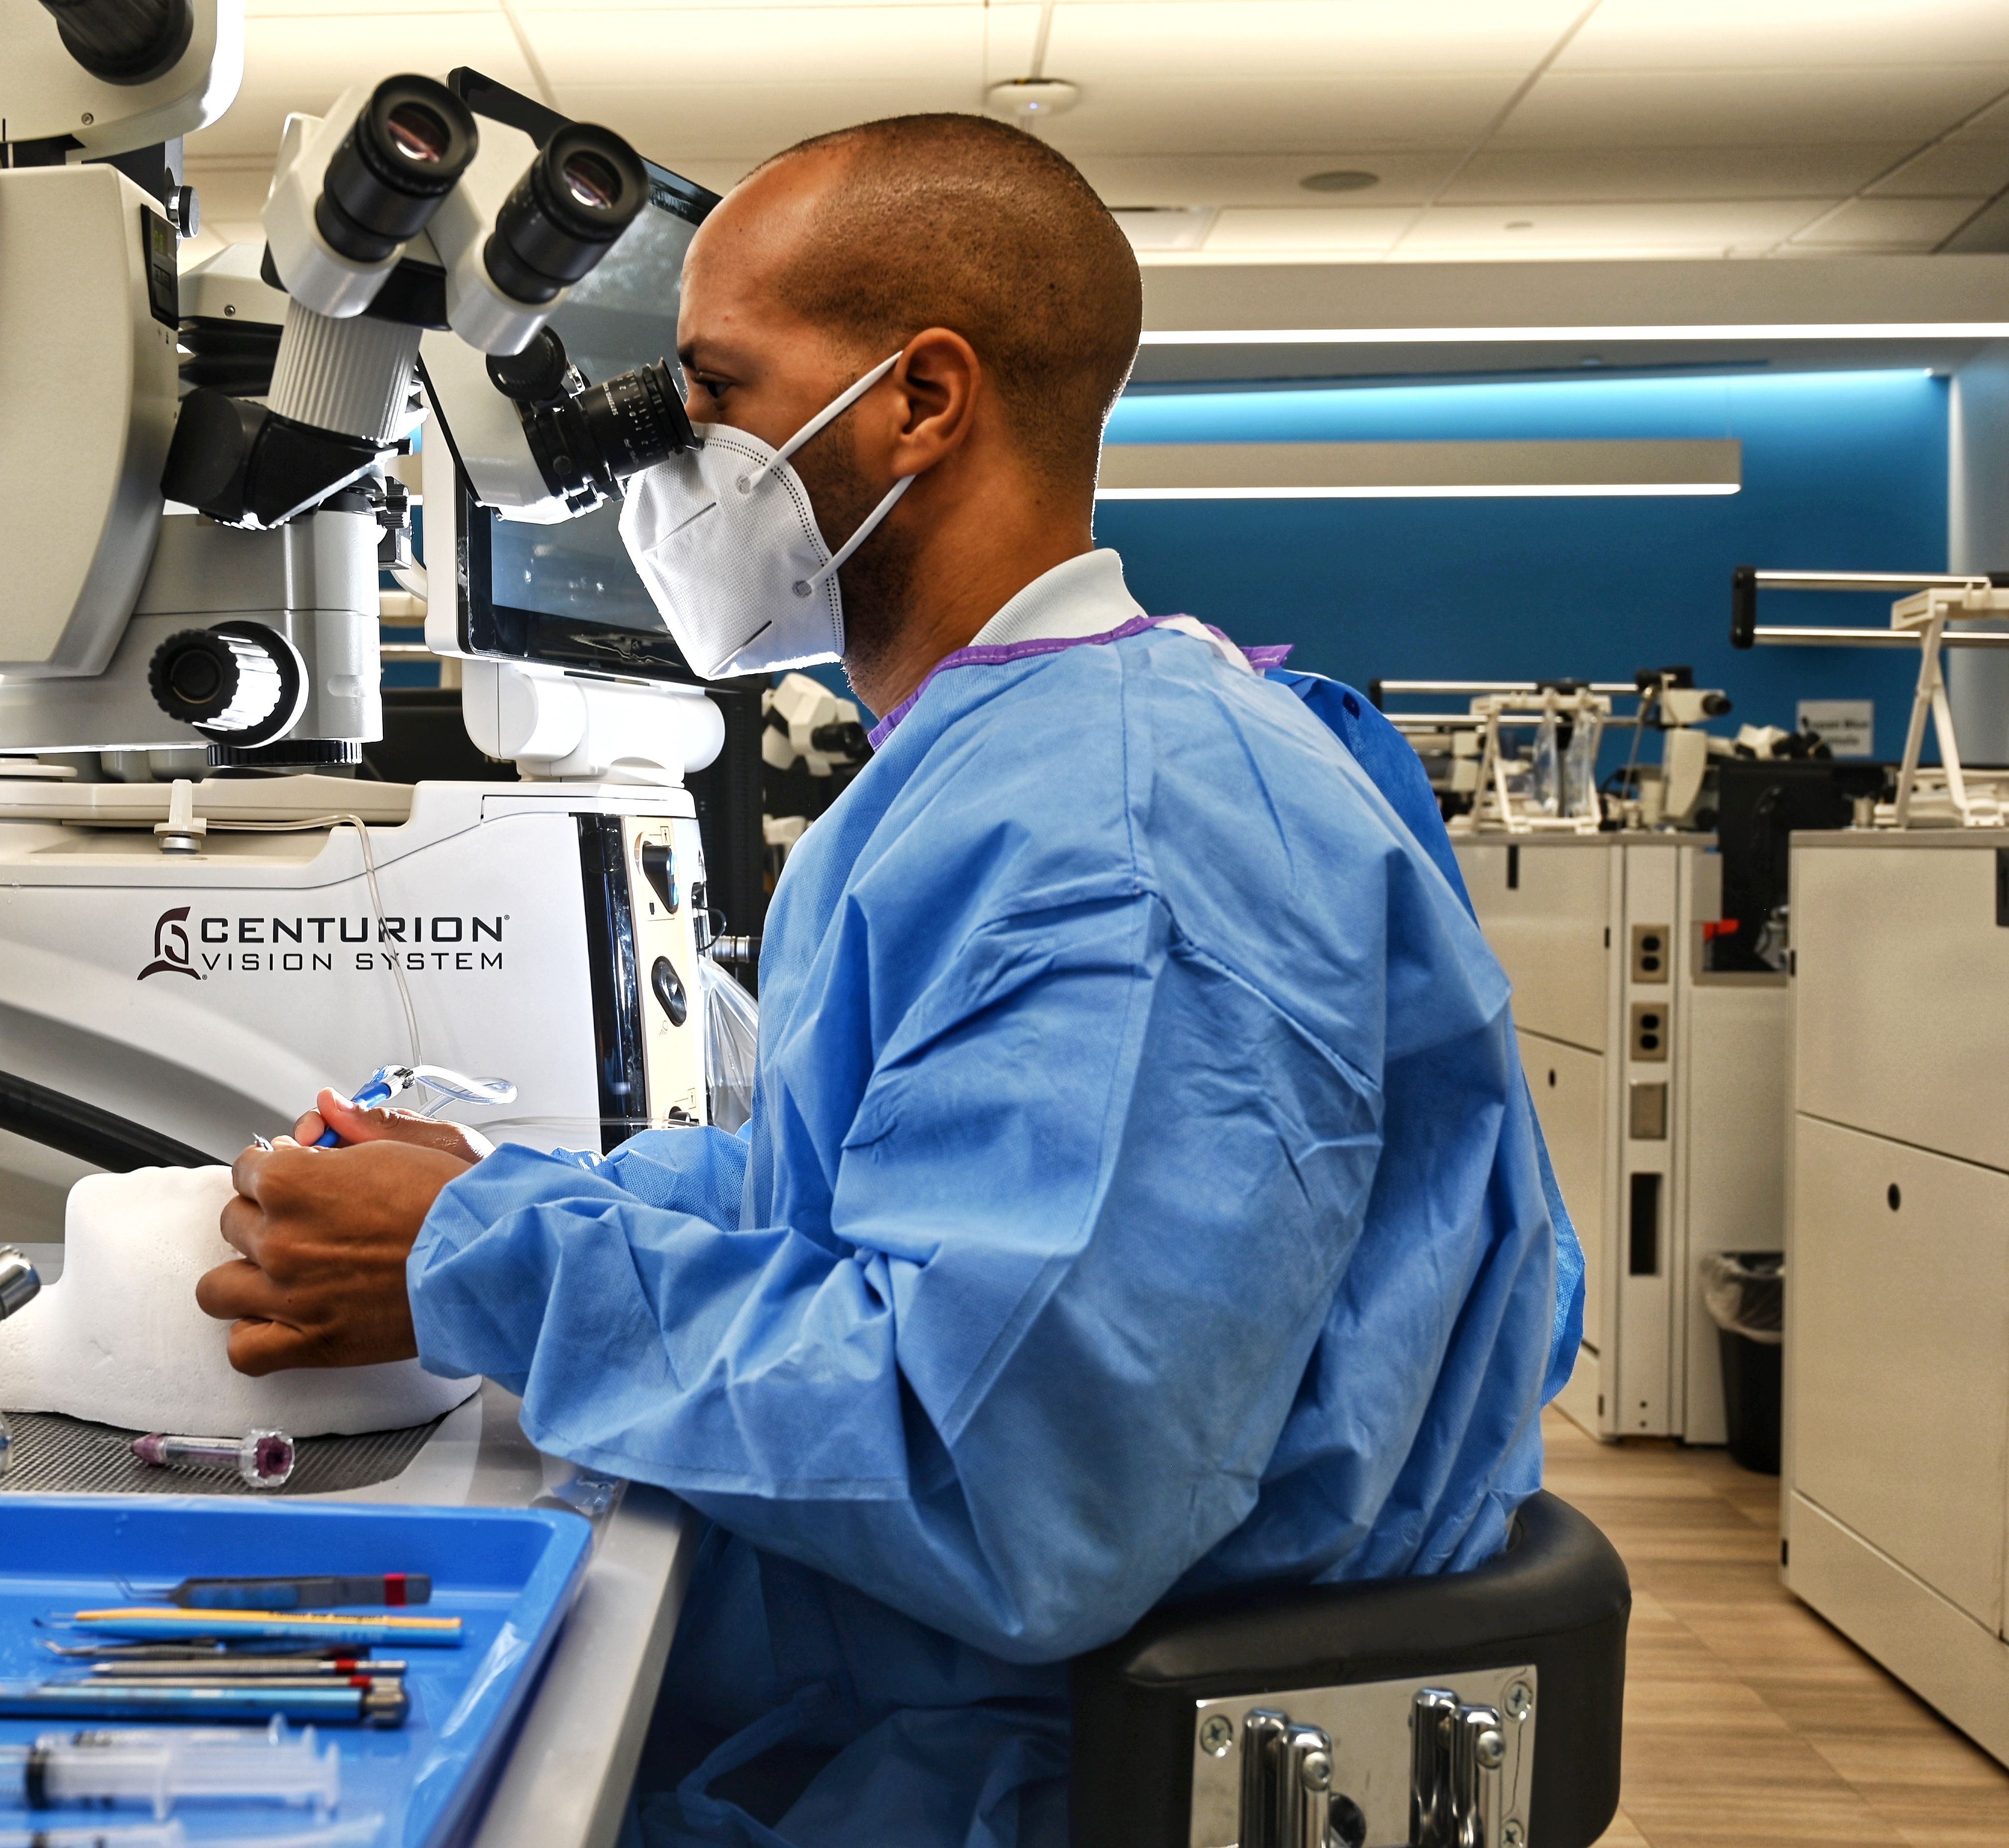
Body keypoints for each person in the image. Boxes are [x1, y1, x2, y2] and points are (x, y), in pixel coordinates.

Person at [194, 113, 1578, 1848]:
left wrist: (488, 1270)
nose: (669, 460)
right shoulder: (1010, 761)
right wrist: (499, 1200)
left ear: (922, 400)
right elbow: (848, 1195)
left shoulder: (1121, 834)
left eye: (709, 392)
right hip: (960, 1680)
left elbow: (1011, 1476)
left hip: (1035, 1753)